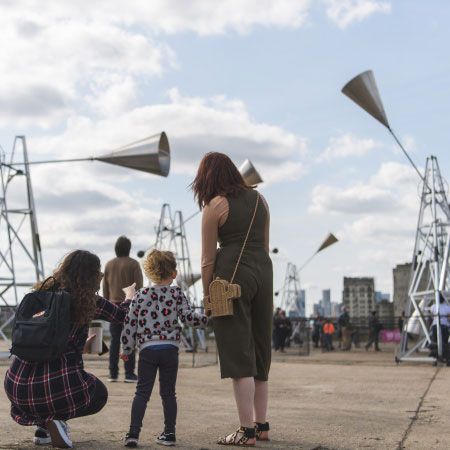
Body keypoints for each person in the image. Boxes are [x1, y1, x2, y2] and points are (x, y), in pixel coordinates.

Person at [4, 250, 134, 449]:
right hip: (53, 388)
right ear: (89, 276)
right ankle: (56, 419)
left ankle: (43, 428)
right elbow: (124, 316)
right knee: (98, 394)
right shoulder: (89, 301)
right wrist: (130, 296)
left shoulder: (39, 295)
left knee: (49, 382)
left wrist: (82, 346)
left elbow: (47, 344)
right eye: (98, 273)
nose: (100, 277)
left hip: (16, 387)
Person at [193, 152, 272, 445]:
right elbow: (264, 245)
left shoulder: (215, 205)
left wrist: (207, 294)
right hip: (263, 271)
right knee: (261, 353)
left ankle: (245, 430)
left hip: (230, 275)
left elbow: (206, 259)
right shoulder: (261, 201)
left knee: (239, 355)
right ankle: (261, 425)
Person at [120, 250, 208, 447]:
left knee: (142, 393)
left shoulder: (141, 295)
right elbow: (187, 317)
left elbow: (130, 324)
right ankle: (169, 433)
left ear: (149, 273)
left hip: (147, 350)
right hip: (170, 349)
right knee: (168, 393)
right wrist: (207, 318)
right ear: (174, 273)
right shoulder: (177, 293)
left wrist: (126, 350)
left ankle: (133, 434)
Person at [103, 236, 143, 383]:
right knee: (129, 341)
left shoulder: (109, 265)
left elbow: (105, 289)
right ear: (129, 248)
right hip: (130, 307)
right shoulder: (134, 264)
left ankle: (112, 374)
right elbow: (138, 287)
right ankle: (129, 373)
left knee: (114, 342)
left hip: (113, 306)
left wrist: (107, 305)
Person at [430, 294, 450, 365]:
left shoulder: (433, 307)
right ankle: (446, 358)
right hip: (444, 326)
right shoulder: (447, 307)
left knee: (435, 343)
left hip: (435, 326)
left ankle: (435, 359)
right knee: (445, 342)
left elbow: (431, 314)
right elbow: (449, 317)